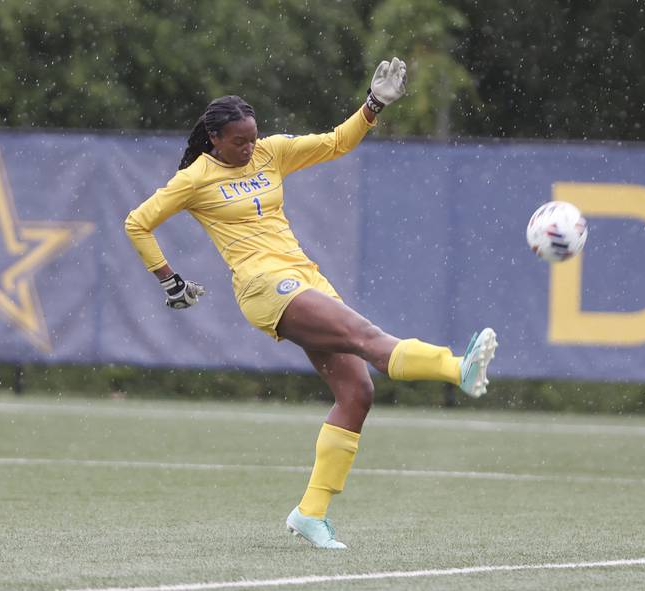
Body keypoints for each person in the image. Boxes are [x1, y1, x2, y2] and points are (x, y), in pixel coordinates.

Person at [124, 57, 497, 549]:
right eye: (239, 140)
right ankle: (457, 369)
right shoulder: (194, 179)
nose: (249, 146)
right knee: (368, 338)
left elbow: (336, 142)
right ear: (215, 139)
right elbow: (137, 223)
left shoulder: (270, 153)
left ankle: (310, 514)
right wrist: (170, 281)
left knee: (357, 394)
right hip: (263, 288)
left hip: (305, 278)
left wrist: (373, 105)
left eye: (253, 136)